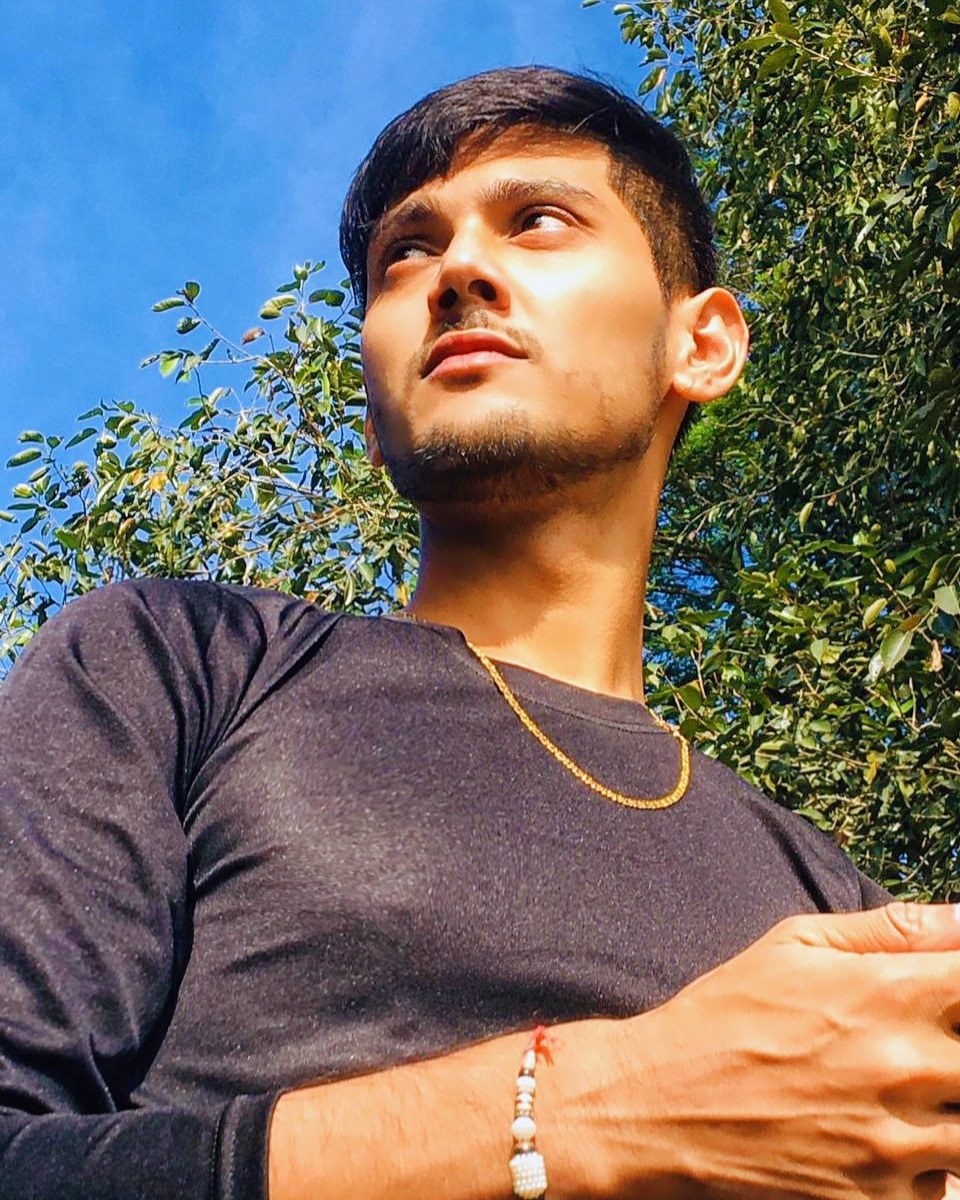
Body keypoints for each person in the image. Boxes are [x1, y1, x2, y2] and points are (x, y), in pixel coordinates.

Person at [1, 64, 959, 1200]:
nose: (456, 269)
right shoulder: (178, 665)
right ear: (373, 414)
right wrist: (592, 1108)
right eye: (405, 254)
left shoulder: (831, 906)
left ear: (701, 343)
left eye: (539, 219)